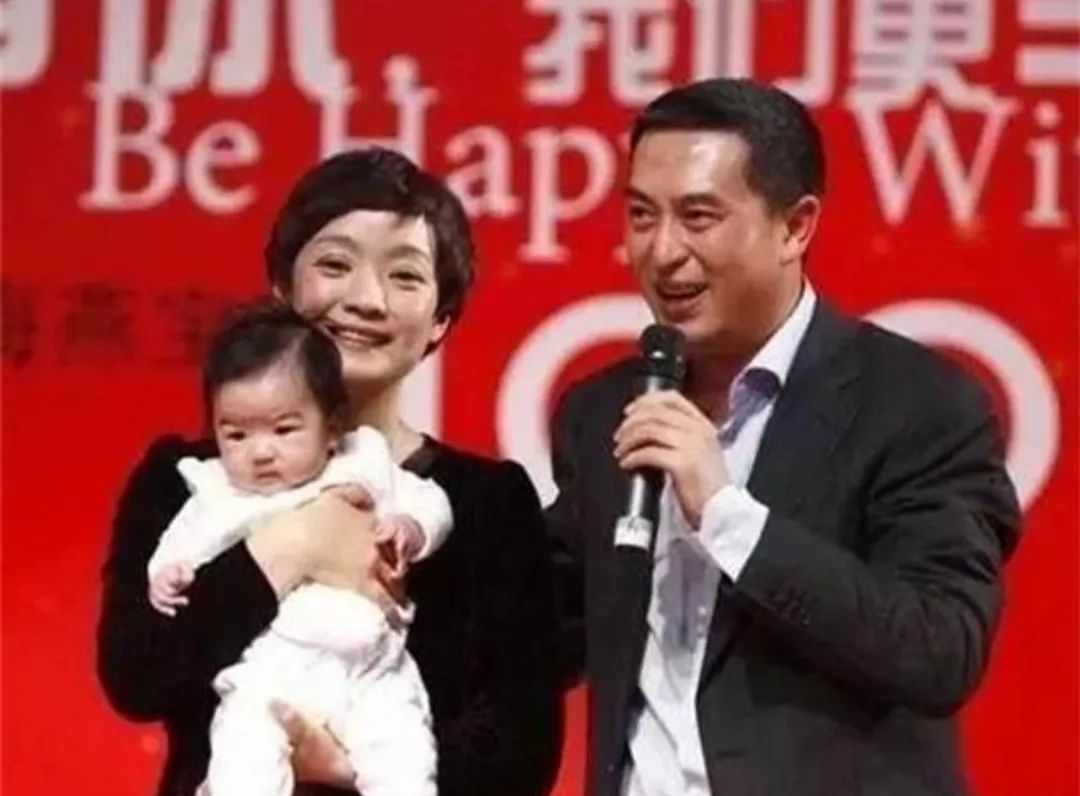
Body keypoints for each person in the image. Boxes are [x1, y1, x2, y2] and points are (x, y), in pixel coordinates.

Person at [547, 78, 1021, 796]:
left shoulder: (919, 404)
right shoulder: (603, 408)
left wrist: (727, 515)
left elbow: (938, 649)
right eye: (641, 214)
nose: (662, 250)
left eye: (698, 217)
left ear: (795, 227)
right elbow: (545, 630)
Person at [98, 147, 562, 796]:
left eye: (405, 276)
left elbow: (522, 753)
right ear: (283, 289)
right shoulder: (187, 478)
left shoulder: (486, 503)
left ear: (440, 321)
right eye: (335, 265)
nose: (366, 299)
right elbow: (137, 677)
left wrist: (341, 768)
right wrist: (292, 545)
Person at [147, 303, 452, 796]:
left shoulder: (363, 462)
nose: (261, 451)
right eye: (236, 434)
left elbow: (430, 501)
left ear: (331, 427)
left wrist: (411, 527)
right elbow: (177, 549)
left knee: (404, 755)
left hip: (372, 667)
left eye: (284, 430)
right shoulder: (216, 493)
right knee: (244, 744)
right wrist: (167, 574)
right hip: (272, 671)